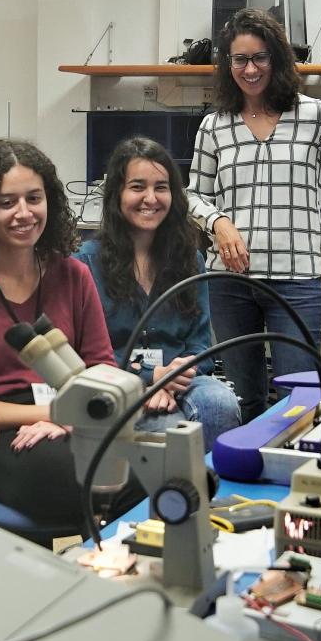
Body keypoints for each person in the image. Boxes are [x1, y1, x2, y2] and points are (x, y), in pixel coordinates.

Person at [0, 138, 142, 535]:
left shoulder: (73, 275)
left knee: (143, 476)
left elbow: (101, 369)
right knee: (82, 477)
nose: (23, 213)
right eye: (6, 202)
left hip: (74, 418)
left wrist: (69, 420)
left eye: (33, 198)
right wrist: (55, 415)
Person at [189, 8, 321, 421]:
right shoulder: (213, 126)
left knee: (299, 400)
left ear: (277, 59)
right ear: (228, 64)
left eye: (260, 58)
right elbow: (193, 195)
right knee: (243, 398)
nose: (250, 69)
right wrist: (218, 222)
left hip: (297, 281)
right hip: (230, 281)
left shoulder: (315, 115)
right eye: (240, 59)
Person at [74, 137, 241, 451]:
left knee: (221, 405)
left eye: (161, 187)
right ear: (117, 195)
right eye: (137, 186)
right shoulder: (84, 265)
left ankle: (210, 493)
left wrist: (175, 375)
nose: (150, 198)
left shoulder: (191, 260)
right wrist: (148, 379)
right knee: (165, 427)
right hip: (114, 380)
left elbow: (201, 344)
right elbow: (83, 353)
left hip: (183, 380)